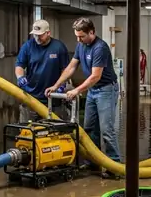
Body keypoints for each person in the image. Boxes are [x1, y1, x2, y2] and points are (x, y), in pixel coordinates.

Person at [45, 17, 121, 178]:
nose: (78, 40)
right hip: (93, 91)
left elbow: (95, 76)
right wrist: (56, 85)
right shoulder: (81, 45)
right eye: (77, 36)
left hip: (106, 90)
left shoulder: (100, 48)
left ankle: (115, 167)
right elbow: (71, 67)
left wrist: (77, 91)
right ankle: (92, 162)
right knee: (89, 128)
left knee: (106, 130)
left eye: (82, 36)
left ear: (92, 32)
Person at [15, 19, 70, 122]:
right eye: (35, 35)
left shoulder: (59, 47)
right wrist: (20, 77)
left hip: (53, 98)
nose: (37, 38)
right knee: (27, 131)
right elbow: (19, 66)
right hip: (31, 98)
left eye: (40, 35)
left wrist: (61, 84)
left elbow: (65, 69)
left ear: (48, 33)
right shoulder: (27, 46)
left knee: (55, 131)